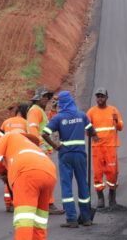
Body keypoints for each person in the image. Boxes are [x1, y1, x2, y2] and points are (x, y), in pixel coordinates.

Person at [0, 130, 57, 240]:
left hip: (27, 172)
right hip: (49, 171)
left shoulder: (10, 136)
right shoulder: (32, 148)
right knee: (39, 220)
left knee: (24, 219)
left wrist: (3, 173)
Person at [41, 91, 97, 227]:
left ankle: (71, 219)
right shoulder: (81, 115)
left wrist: (55, 146)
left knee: (67, 187)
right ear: (71, 101)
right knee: (83, 184)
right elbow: (92, 132)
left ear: (61, 103)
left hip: (65, 154)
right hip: (80, 154)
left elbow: (44, 133)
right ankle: (86, 218)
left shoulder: (58, 118)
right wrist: (94, 136)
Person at [86, 88, 125, 210]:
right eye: (98, 96)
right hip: (97, 148)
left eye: (102, 96)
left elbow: (120, 127)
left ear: (107, 97)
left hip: (110, 146)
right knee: (97, 173)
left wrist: (116, 120)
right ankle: (100, 198)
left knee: (112, 172)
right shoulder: (91, 112)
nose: (100, 99)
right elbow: (86, 129)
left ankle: (112, 199)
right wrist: (93, 135)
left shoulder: (113, 110)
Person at [28, 87, 64, 215]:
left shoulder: (39, 111)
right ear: (38, 98)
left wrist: (53, 111)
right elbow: (33, 130)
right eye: (44, 97)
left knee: (45, 178)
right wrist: (41, 147)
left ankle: (43, 203)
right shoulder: (35, 111)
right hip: (40, 150)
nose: (47, 99)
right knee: (48, 178)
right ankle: (48, 204)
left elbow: (48, 124)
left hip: (42, 150)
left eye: (48, 97)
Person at [0, 103, 30, 212]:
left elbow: (0, 140)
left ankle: (8, 203)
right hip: (21, 154)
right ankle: (20, 202)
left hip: (7, 154)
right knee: (20, 178)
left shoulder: (6, 122)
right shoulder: (27, 123)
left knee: (9, 177)